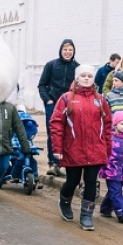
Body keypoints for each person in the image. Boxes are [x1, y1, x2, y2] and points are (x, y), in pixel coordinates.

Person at [49, 64, 111, 231]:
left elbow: (107, 125)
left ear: (93, 79)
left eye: (89, 76)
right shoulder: (66, 98)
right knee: (73, 181)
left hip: (95, 149)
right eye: (83, 75)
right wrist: (57, 148)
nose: (86, 78)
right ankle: (65, 201)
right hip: (73, 149)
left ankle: (86, 215)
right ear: (77, 78)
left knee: (91, 183)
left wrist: (107, 149)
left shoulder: (101, 100)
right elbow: (56, 124)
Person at [37, 39, 79, 174]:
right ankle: (53, 163)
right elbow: (42, 84)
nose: (68, 53)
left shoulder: (77, 68)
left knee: (69, 133)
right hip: (53, 104)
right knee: (53, 132)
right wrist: (47, 100)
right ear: (61, 50)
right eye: (65, 50)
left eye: (70, 50)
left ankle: (66, 162)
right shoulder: (51, 65)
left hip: (70, 105)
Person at [0, 100, 31, 201]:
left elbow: (19, 127)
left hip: (6, 145)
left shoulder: (10, 108)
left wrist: (25, 145)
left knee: (4, 167)